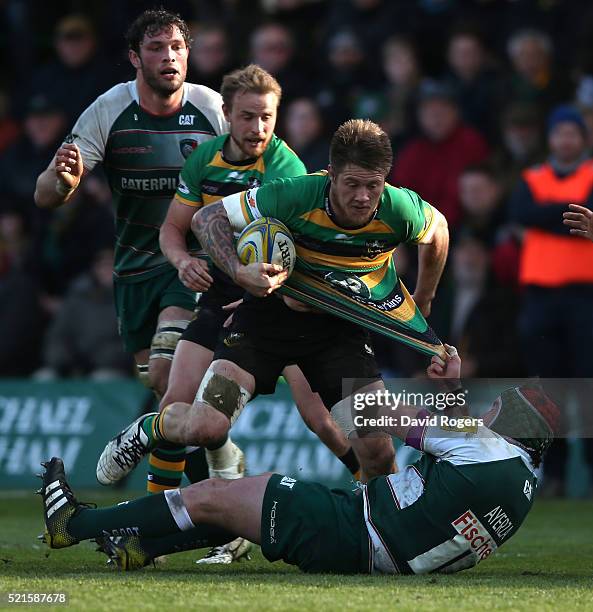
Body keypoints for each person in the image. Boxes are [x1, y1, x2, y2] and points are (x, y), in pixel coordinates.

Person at [96, 119, 449, 491]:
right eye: (352, 184)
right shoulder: (294, 194)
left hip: (338, 330)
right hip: (264, 320)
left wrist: (423, 297)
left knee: (377, 452)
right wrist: (238, 270)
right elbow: (206, 217)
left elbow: (438, 231)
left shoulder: (400, 209)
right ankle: (148, 428)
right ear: (331, 175)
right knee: (206, 427)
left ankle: (383, 541)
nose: (363, 196)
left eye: (372, 185)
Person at [39, 345, 560, 575]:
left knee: (213, 495)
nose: (489, 407)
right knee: (233, 515)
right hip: (380, 545)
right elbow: (464, 454)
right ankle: (140, 545)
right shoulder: (520, 481)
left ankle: (75, 523)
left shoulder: (479, 442)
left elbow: (380, 412)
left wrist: (336, 362)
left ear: (511, 419)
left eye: (498, 404)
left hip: (355, 531)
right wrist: (454, 396)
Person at [148, 65, 361, 563]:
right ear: (226, 114)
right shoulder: (203, 159)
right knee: (173, 401)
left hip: (276, 308)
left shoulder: (286, 171)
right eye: (247, 116)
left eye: (267, 117)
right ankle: (149, 528)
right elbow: (174, 229)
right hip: (220, 299)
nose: (258, 128)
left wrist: (258, 295)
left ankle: (374, 496)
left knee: (321, 418)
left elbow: (298, 256)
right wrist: (182, 263)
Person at [34, 9, 227, 401]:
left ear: (188, 54)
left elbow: (271, 162)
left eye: (177, 47)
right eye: (156, 48)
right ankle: (215, 456)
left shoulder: (212, 109)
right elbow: (44, 195)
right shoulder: (109, 109)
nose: (169, 57)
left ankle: (195, 453)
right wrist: (63, 180)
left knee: (166, 367)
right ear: (135, 58)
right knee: (158, 382)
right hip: (135, 267)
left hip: (192, 262)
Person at [509, 104, 593, 495]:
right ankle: (553, 475)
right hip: (541, 298)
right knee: (547, 390)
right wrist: (566, 214)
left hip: (584, 296)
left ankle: (587, 474)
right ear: (551, 137)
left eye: (572, 133)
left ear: (582, 138)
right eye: (560, 132)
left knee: (585, 387)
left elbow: (534, 215)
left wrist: (544, 215)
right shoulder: (532, 177)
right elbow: (520, 212)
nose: (565, 140)